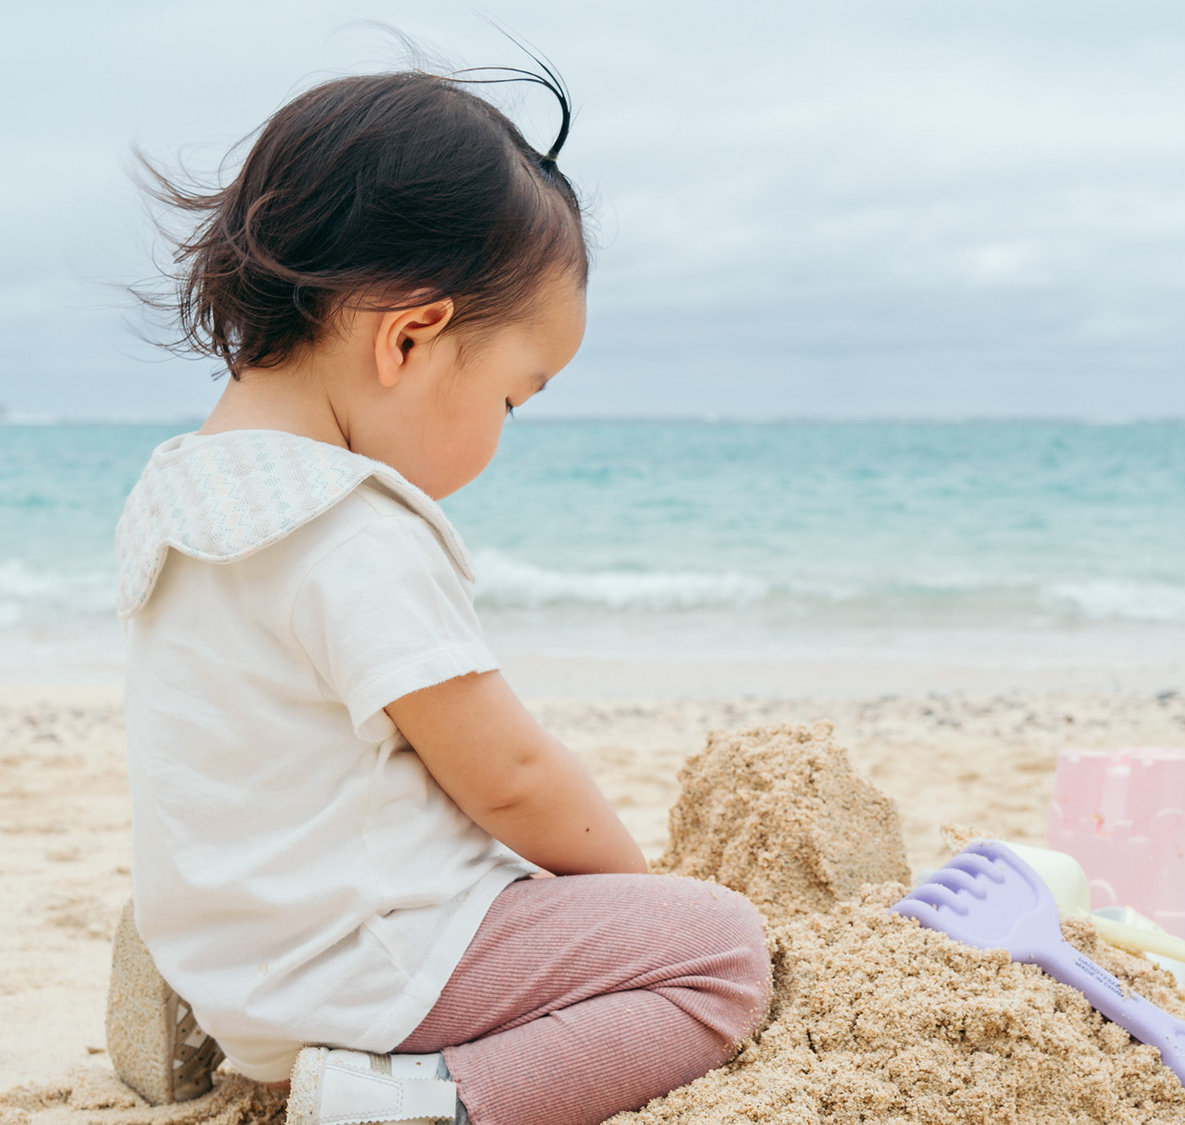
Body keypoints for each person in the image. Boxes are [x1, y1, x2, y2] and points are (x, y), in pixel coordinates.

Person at [112, 65, 770, 1125]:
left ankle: (232, 1024)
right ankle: (426, 1104)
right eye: (512, 396)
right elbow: (508, 777)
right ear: (408, 338)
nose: (505, 430)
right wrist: (637, 891)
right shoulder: (350, 528)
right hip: (375, 970)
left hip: (237, 960)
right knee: (717, 953)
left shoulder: (176, 497)